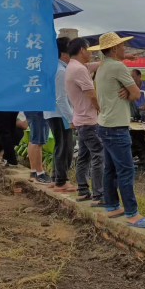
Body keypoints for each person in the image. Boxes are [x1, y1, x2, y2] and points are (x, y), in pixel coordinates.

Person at [91, 32, 145, 228]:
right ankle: (132, 214)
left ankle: (111, 205)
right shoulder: (118, 67)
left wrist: (125, 91)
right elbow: (136, 94)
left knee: (110, 169)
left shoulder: (101, 67)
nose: (124, 49)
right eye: (122, 46)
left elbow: (127, 92)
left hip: (104, 124)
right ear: (115, 48)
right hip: (117, 126)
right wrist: (129, 91)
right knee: (126, 170)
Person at [65, 37, 105, 206]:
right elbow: (92, 94)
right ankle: (99, 194)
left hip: (80, 120)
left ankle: (83, 190)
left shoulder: (73, 67)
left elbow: (94, 66)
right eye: (88, 50)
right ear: (82, 50)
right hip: (89, 121)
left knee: (84, 155)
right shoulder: (80, 71)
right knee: (99, 155)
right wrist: (101, 109)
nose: (90, 53)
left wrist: (115, 59)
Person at [43, 37, 76, 192]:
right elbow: (61, 98)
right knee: (66, 146)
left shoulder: (55, 67)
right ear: (64, 54)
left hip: (54, 112)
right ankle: (61, 181)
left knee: (60, 145)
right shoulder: (61, 71)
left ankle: (55, 178)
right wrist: (71, 118)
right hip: (60, 114)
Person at [24, 111, 52, 184]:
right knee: (37, 142)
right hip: (38, 110)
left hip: (32, 109)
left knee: (33, 140)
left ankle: (34, 171)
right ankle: (40, 173)